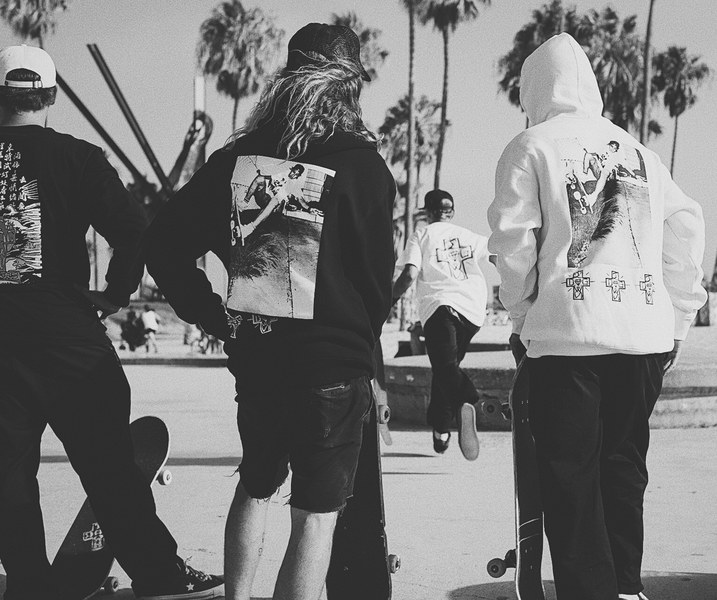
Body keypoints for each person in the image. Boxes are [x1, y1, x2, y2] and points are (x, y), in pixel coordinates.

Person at [142, 23, 395, 600]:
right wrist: (359, 341)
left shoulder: (238, 161)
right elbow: (375, 284)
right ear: (349, 86)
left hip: (258, 359)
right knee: (315, 518)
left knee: (254, 487)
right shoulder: (364, 168)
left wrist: (213, 316)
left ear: (287, 78)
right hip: (332, 365)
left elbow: (162, 243)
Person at [487, 33, 707, 600]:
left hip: (567, 337)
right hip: (642, 339)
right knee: (624, 466)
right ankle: (627, 588)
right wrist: (677, 318)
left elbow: (513, 242)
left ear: (535, 88)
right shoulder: (640, 153)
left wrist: (523, 315)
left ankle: (591, 592)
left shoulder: (531, 145)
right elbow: (686, 227)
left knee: (570, 478)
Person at [0, 45, 224, 600]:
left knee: (6, 476)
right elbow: (135, 232)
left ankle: (29, 583)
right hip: (67, 339)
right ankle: (159, 575)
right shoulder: (78, 158)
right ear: (51, 96)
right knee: (110, 468)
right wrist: (114, 294)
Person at [392, 189, 489, 461]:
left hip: (439, 308)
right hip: (471, 312)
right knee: (446, 369)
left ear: (428, 212)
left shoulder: (422, 234)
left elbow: (409, 274)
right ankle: (441, 429)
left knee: (445, 369)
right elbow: (498, 256)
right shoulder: (470, 235)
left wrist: (389, 299)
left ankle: (468, 398)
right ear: (452, 212)